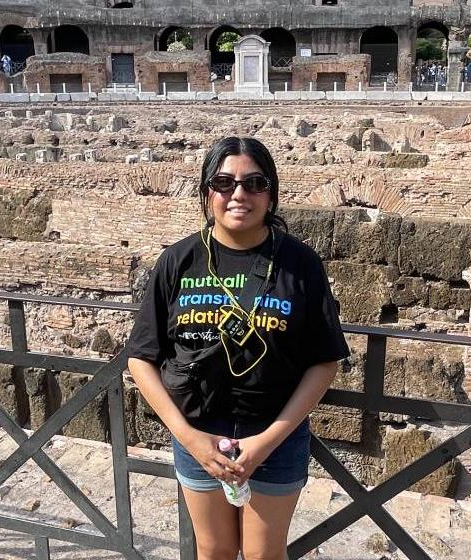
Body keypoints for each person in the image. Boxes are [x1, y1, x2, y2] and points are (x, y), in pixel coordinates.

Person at [126, 136, 349, 560]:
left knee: (264, 555)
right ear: (207, 192)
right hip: (198, 434)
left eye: (254, 183)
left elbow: (324, 361)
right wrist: (189, 437)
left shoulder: (300, 264)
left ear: (271, 194)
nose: (239, 194)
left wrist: (265, 441)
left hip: (275, 436)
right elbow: (141, 358)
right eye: (224, 182)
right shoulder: (178, 260)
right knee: (214, 551)